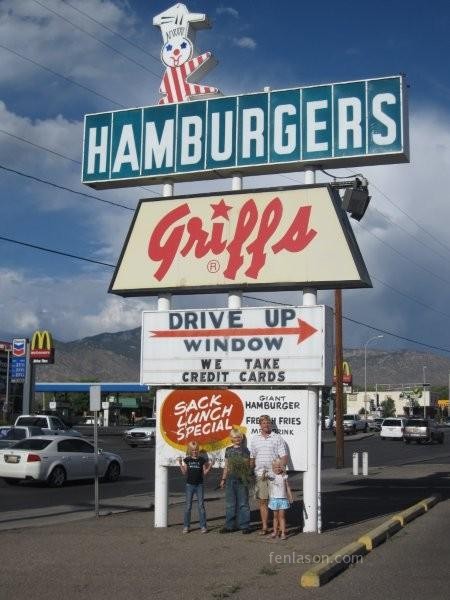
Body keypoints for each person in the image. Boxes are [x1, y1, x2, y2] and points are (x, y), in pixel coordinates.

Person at [249, 415, 288, 535]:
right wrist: (250, 471)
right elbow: (252, 457)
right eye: (263, 423)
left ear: (270, 424)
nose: (266, 425)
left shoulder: (277, 438)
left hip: (275, 476)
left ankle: (278, 528)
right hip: (260, 474)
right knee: (263, 501)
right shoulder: (255, 439)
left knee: (277, 502)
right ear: (260, 425)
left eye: (268, 423)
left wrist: (281, 470)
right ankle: (265, 527)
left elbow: (284, 456)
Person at [219, 429, 252, 535]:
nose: (237, 439)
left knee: (243, 503)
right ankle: (229, 526)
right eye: (235, 437)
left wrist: (242, 466)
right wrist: (223, 479)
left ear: (241, 438)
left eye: (239, 437)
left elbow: (247, 464)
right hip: (230, 479)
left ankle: (245, 525)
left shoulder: (245, 450)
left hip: (242, 479)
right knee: (230, 504)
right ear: (231, 439)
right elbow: (226, 466)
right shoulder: (228, 450)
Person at [178, 440, 211, 534]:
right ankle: (186, 526)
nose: (194, 452)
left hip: (199, 485)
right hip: (189, 485)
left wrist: (210, 465)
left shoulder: (202, 460)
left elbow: (205, 472)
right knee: (188, 506)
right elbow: (184, 472)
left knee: (201, 506)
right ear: (190, 450)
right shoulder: (187, 460)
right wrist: (180, 463)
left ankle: (203, 526)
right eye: (192, 450)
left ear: (198, 450)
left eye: (196, 450)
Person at [267, 458, 293, 539]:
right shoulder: (272, 476)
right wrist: (264, 472)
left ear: (282, 467)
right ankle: (275, 532)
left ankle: (283, 533)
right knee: (275, 517)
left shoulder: (284, 476)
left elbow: (287, 487)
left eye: (279, 467)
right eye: (275, 467)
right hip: (274, 499)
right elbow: (266, 477)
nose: (277, 469)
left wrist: (290, 496)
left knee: (282, 517)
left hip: (283, 499)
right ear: (272, 468)